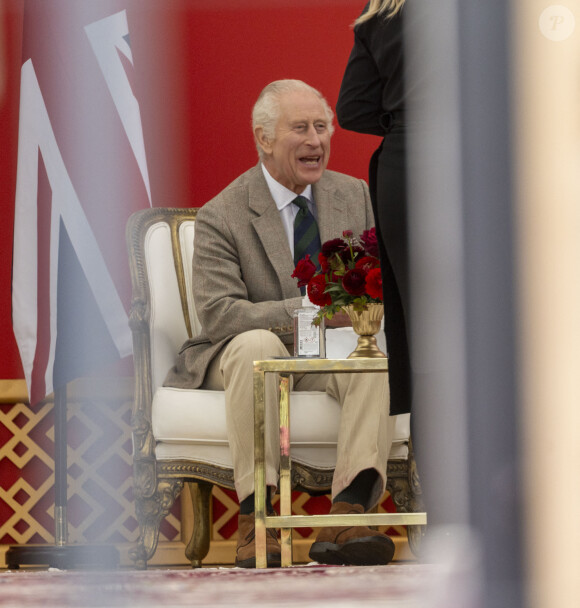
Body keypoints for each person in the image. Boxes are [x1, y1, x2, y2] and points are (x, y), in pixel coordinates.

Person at [164, 79, 396, 568]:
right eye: (300, 129)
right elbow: (222, 314)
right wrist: (311, 308)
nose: (316, 140)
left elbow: (380, 282)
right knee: (254, 342)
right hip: (244, 357)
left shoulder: (355, 195)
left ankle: (350, 513)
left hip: (322, 355)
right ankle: (258, 518)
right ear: (264, 139)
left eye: (322, 127)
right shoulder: (222, 214)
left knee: (370, 350)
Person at [336, 0, 411, 419]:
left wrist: (403, 125)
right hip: (482, 161)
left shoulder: (382, 10)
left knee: (415, 322)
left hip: (404, 167)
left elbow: (353, 109)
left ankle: (431, 470)